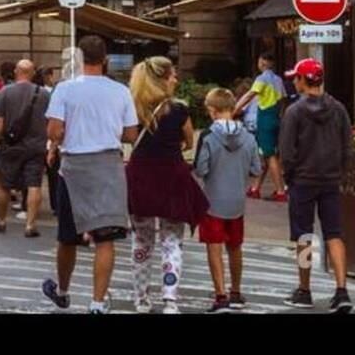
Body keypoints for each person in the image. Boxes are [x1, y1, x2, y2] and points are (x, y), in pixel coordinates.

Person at [41, 35, 139, 313]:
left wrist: (64, 136)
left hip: (74, 167)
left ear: (79, 59)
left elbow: (53, 131)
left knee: (67, 238)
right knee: (105, 239)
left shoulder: (65, 89)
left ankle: (63, 290)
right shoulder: (121, 91)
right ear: (105, 59)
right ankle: (97, 302)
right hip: (108, 166)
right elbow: (131, 134)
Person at [126, 56, 207, 314]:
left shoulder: (133, 107)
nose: (176, 79)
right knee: (172, 241)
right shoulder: (179, 109)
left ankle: (141, 298)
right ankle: (170, 299)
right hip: (171, 175)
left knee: (141, 240)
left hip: (140, 175)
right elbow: (189, 142)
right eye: (172, 75)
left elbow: (126, 136)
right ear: (162, 79)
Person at [277, 58, 354, 312]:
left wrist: (289, 176)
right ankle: (341, 290)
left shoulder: (294, 112)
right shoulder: (339, 109)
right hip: (331, 179)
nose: (294, 82)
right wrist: (340, 173)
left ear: (302, 80)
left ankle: (304, 289)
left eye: (296, 78)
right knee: (334, 233)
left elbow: (287, 151)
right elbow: (348, 146)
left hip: (302, 180)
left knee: (303, 236)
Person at [193, 86, 259, 312]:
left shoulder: (208, 136)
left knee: (214, 247)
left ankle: (220, 295)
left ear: (212, 110)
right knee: (235, 246)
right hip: (237, 201)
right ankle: (236, 291)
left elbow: (201, 169)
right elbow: (256, 168)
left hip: (213, 199)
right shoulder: (249, 137)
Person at [0, 58, 49, 237]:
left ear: (16, 71)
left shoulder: (4, 92)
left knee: (4, 184)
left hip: (11, 145)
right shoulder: (44, 94)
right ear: (33, 73)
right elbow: (50, 120)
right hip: (36, 145)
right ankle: (30, 224)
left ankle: (1, 219)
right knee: (34, 184)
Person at [247, 53, 288, 201]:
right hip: (275, 118)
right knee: (266, 155)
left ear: (263, 63)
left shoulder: (261, 79)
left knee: (269, 156)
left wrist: (235, 108)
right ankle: (255, 188)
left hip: (264, 119)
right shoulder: (278, 80)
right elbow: (283, 100)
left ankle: (280, 191)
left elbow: (250, 95)